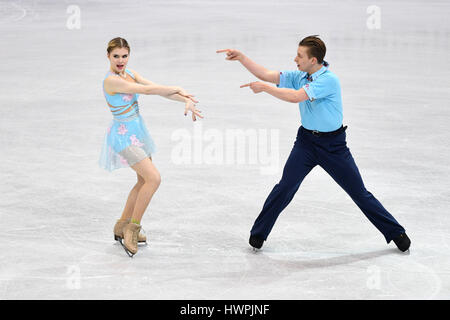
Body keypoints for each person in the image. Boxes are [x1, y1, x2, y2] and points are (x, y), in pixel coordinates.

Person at [216, 35, 411, 252]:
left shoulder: (328, 80)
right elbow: (266, 74)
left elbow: (295, 97)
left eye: (300, 56)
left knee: (359, 192)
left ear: (314, 60)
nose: (295, 59)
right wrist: (242, 58)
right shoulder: (301, 75)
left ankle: (396, 232)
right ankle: (259, 233)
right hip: (306, 144)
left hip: (333, 147)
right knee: (285, 187)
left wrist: (265, 89)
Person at [100, 37, 203, 257]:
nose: (120, 60)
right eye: (116, 56)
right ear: (108, 56)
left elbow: (155, 89)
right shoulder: (111, 81)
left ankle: (122, 224)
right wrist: (176, 87)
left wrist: (184, 99)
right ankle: (132, 228)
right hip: (123, 137)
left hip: (137, 132)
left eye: (124, 55)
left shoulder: (130, 73)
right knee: (153, 179)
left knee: (143, 180)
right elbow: (147, 91)